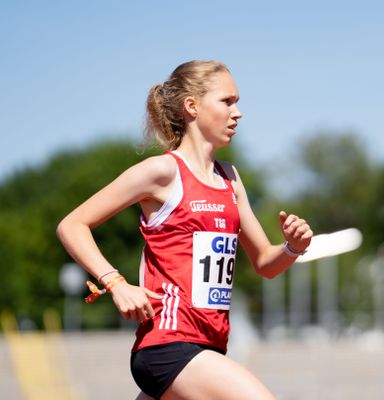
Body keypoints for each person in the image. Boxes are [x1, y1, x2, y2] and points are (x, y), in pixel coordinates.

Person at [56, 60, 313, 400]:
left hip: (208, 347)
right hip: (168, 344)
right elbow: (72, 224)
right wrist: (115, 283)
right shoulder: (162, 172)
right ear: (192, 106)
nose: (238, 113)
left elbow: (265, 263)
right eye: (227, 101)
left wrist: (292, 247)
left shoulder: (230, 180)